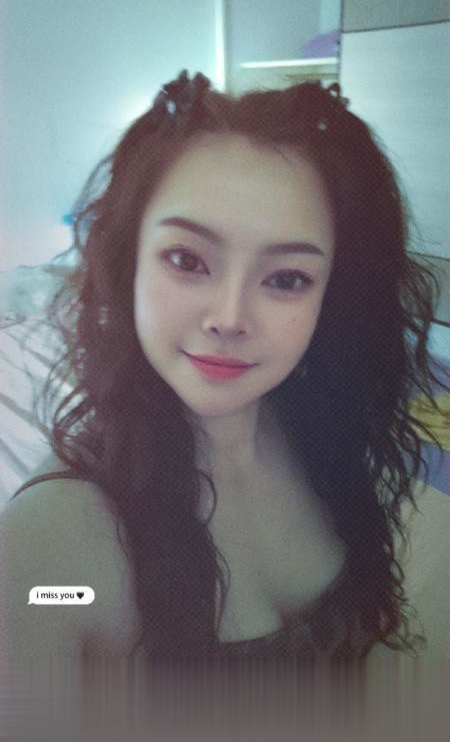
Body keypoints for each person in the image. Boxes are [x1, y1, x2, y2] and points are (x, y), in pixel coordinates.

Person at [0, 70, 445, 661]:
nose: (230, 318)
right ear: (128, 262)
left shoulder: (321, 435)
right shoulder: (45, 543)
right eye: (187, 260)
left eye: (287, 279)